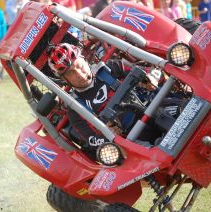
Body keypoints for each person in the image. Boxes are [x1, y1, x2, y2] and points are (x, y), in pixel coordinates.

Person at [46, 43, 183, 157]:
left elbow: (148, 72)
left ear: (84, 58)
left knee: (182, 109)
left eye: (79, 66)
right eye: (71, 73)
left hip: (153, 109)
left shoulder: (110, 68)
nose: (79, 74)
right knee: (151, 153)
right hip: (131, 137)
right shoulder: (75, 108)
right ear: (64, 79)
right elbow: (93, 140)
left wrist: (149, 79)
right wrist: (108, 134)